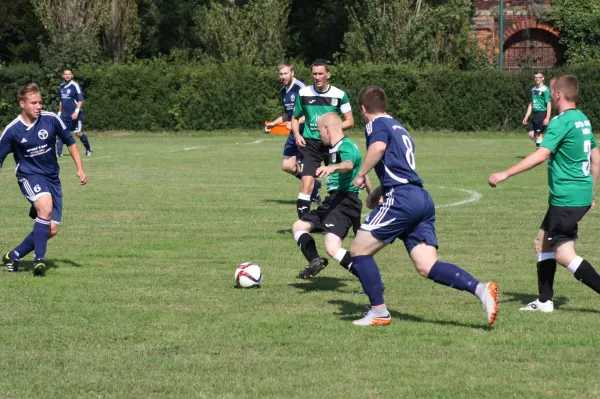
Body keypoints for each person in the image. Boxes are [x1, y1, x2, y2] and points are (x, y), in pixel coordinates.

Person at [349, 86, 499, 327]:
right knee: (427, 266)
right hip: (420, 197)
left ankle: (378, 312)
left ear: (363, 109)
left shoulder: (374, 124)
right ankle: (480, 289)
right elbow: (400, 168)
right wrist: (379, 191)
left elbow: (377, 149)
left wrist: (361, 174)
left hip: (402, 199)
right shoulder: (399, 127)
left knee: (359, 251)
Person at [489, 74, 600, 312]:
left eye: (551, 92)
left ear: (558, 94)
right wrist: (590, 193)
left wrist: (505, 173)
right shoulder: (583, 119)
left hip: (566, 198)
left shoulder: (561, 122)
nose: (550, 95)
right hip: (576, 195)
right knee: (542, 242)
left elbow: (541, 155)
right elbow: (596, 159)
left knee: (564, 254)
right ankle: (544, 301)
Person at [0, 83, 87, 276]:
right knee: (45, 207)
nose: (39, 106)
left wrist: (80, 168)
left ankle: (12, 255)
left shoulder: (51, 119)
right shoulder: (13, 130)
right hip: (29, 176)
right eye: (33, 103)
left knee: (52, 229)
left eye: (40, 102)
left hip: (52, 178)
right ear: (22, 103)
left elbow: (70, 142)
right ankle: (39, 260)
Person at [292, 113, 371, 279]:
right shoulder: (335, 148)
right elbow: (362, 171)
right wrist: (372, 194)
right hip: (334, 201)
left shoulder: (346, 146)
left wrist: (332, 168)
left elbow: (349, 165)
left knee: (332, 247)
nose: (319, 135)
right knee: (299, 227)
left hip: (345, 201)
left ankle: (370, 280)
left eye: (319, 131)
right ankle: (315, 261)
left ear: (327, 129)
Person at [291, 59, 354, 219]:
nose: (317, 77)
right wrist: (297, 135)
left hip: (332, 145)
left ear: (328, 74)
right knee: (306, 183)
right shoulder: (303, 93)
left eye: (320, 74)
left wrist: (332, 130)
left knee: (336, 185)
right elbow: (295, 118)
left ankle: (338, 220)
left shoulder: (339, 95)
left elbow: (350, 121)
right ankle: (304, 223)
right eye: (314, 74)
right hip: (310, 144)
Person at [265, 62, 321, 205]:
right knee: (287, 166)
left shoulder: (301, 88)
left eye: (286, 73)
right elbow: (287, 114)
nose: (283, 76)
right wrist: (273, 123)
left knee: (304, 165)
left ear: (292, 73)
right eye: (281, 74)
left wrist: (297, 122)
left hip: (305, 133)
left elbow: (312, 112)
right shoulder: (283, 90)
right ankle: (314, 182)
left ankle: (314, 195)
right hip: (293, 133)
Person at [57, 69, 93, 157]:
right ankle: (58, 153)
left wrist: (76, 112)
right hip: (64, 115)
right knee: (61, 132)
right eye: (65, 74)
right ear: (63, 76)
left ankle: (88, 149)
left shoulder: (75, 85)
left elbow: (80, 100)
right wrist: (59, 112)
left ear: (72, 76)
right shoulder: (61, 86)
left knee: (78, 133)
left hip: (75, 115)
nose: (67, 76)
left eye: (69, 74)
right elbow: (61, 101)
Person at [522, 72, 551, 148]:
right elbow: (531, 103)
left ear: (543, 78)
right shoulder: (533, 89)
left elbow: (548, 104)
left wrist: (547, 118)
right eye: (535, 77)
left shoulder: (546, 90)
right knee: (531, 134)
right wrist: (526, 116)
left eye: (538, 77)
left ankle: (539, 153)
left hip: (542, 113)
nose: (537, 79)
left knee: (538, 135)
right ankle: (544, 147)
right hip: (534, 114)